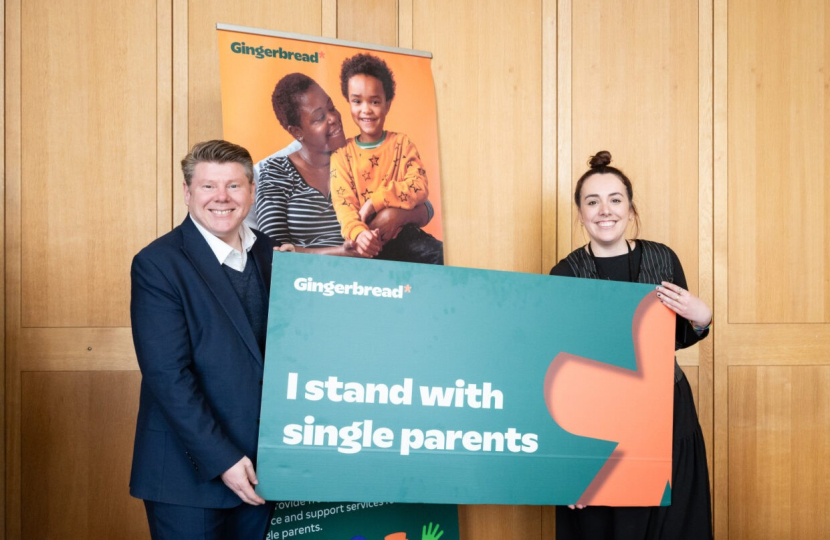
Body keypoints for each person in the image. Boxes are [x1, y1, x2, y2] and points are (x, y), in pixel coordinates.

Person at [550, 151, 713, 539]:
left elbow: (680, 335)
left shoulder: (662, 258)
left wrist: (701, 315)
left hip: (668, 415)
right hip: (598, 425)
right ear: (580, 212)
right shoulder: (565, 274)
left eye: (615, 199)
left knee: (672, 526)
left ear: (629, 207)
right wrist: (572, 466)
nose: (605, 210)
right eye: (593, 201)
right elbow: (554, 366)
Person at [130, 140, 274, 540]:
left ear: (251, 191)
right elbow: (168, 377)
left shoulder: (269, 253)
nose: (222, 198)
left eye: (234, 186)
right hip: (186, 475)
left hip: (264, 470)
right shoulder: (158, 264)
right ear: (187, 192)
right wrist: (224, 459)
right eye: (209, 186)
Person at [256, 72, 435, 260]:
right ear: (296, 131)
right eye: (319, 118)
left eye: (331, 107)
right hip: (315, 280)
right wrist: (344, 251)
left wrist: (396, 216)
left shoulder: (355, 155)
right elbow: (274, 254)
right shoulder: (276, 171)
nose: (333, 118)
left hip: (382, 268)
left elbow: (423, 204)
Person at [330, 54, 444, 264]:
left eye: (374, 101)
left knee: (443, 257)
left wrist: (375, 202)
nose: (366, 110)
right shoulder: (341, 155)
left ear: (387, 104)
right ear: (348, 101)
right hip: (364, 244)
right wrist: (359, 234)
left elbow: (419, 186)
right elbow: (343, 205)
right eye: (357, 101)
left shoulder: (402, 144)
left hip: (407, 239)